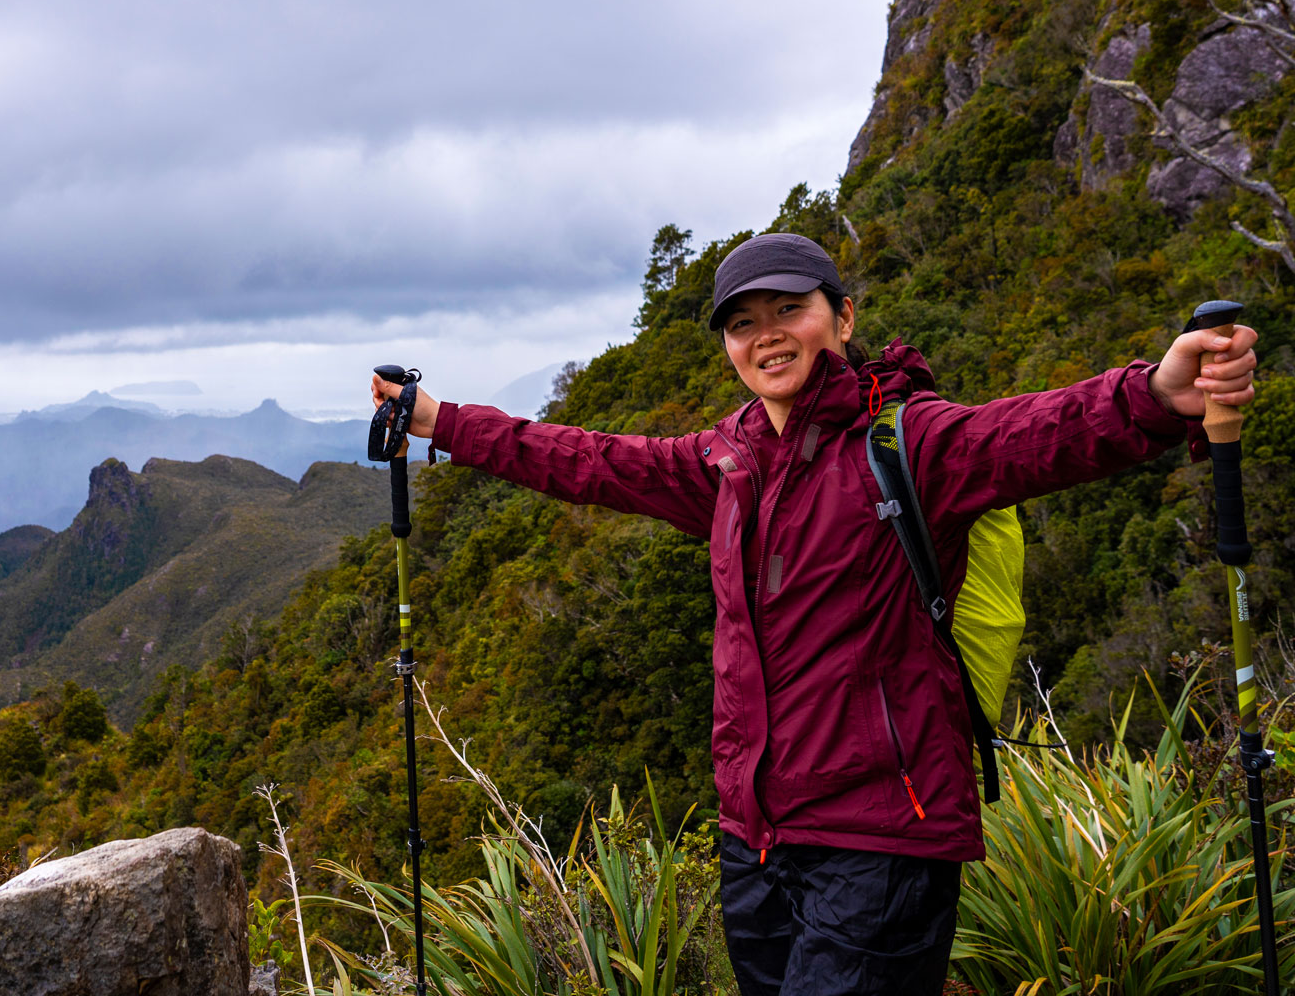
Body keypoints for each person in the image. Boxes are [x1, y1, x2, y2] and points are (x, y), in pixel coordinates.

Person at [369, 232, 1258, 996]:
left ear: (841, 317)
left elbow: (1030, 433)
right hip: (755, 839)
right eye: (742, 323)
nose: (766, 336)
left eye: (788, 309)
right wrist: (443, 421)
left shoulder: (910, 439)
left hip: (883, 837)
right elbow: (589, 459)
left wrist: (1154, 396)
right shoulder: (727, 461)